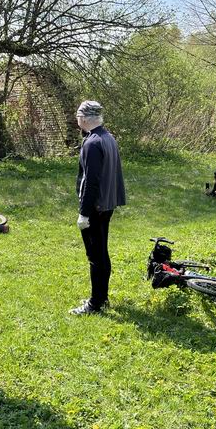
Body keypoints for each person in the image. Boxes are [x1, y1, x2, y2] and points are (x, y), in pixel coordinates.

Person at [71, 101, 126, 315]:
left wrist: (84, 213)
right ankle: (101, 297)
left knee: (95, 255)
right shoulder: (108, 137)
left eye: (78, 117)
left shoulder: (92, 143)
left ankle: (95, 303)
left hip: (96, 207)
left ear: (84, 119)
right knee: (101, 252)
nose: (77, 121)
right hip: (107, 204)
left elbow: (91, 181)